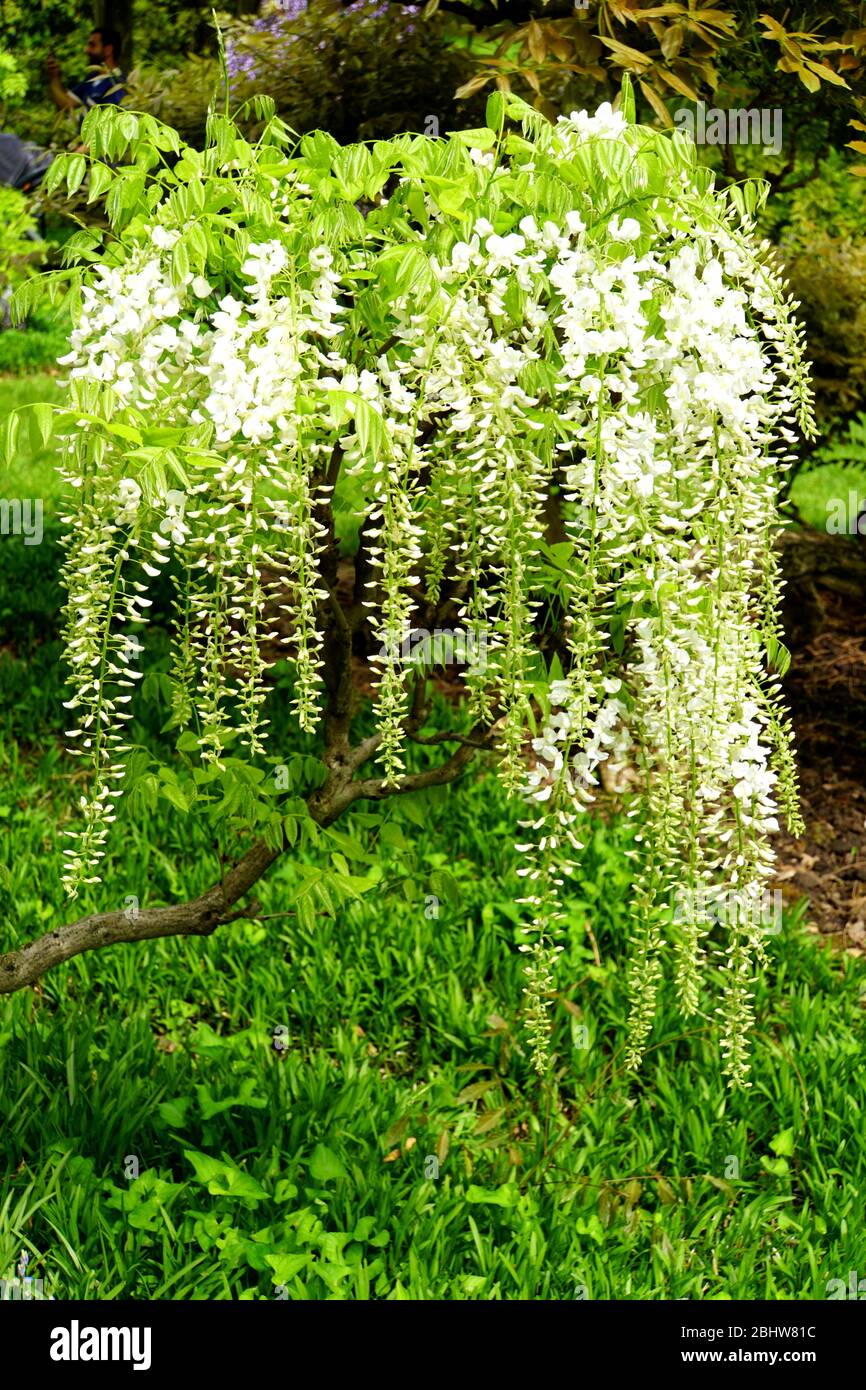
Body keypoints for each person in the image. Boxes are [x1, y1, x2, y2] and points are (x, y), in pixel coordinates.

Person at [45, 27, 127, 119]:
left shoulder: (118, 85)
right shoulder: (92, 77)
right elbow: (67, 104)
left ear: (108, 50)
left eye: (92, 45)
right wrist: (54, 76)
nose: (86, 50)